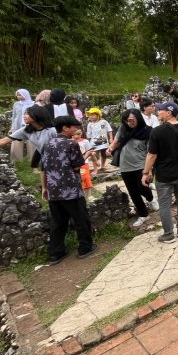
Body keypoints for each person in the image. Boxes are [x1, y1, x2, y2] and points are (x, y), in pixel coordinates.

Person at [40, 116, 98, 264]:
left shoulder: (47, 144)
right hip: (71, 189)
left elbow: (43, 168)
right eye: (74, 127)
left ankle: (55, 252)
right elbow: (77, 165)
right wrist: (87, 154)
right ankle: (85, 247)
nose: (76, 129)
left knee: (58, 222)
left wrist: (45, 187)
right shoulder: (71, 144)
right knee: (80, 219)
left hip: (54, 190)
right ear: (65, 128)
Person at [141, 101, 178, 243]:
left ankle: (168, 234)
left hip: (164, 176)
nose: (158, 112)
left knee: (164, 204)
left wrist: (146, 173)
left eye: (160, 110)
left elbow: (152, 155)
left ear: (169, 112)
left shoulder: (157, 131)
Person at [107, 110, 158, 227]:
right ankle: (144, 214)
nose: (129, 123)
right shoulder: (123, 128)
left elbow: (150, 152)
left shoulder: (148, 131)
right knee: (133, 192)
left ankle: (150, 199)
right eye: (126, 121)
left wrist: (149, 170)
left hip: (141, 165)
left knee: (141, 187)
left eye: (131, 120)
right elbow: (116, 141)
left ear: (138, 118)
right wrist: (110, 149)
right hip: (125, 166)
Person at [85, 107, 113, 174]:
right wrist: (88, 144)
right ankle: (95, 169)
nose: (91, 116)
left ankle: (102, 166)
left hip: (103, 141)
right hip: (94, 142)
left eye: (93, 115)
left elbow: (109, 130)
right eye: (90, 115)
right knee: (94, 155)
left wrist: (111, 138)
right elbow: (89, 135)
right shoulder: (90, 124)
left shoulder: (104, 122)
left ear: (98, 115)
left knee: (104, 154)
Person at [10, 88, 35, 162]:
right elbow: (14, 116)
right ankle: (17, 161)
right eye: (17, 95)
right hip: (17, 126)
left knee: (32, 145)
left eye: (20, 95)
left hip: (30, 126)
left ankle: (33, 162)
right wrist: (12, 128)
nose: (18, 96)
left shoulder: (33, 104)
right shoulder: (16, 104)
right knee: (16, 144)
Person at [72, 127, 94, 199]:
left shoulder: (85, 141)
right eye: (74, 134)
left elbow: (90, 152)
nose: (76, 136)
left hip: (84, 163)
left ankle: (89, 195)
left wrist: (96, 161)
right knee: (79, 179)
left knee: (86, 178)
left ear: (82, 133)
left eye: (78, 134)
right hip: (74, 164)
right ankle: (82, 195)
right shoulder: (69, 142)